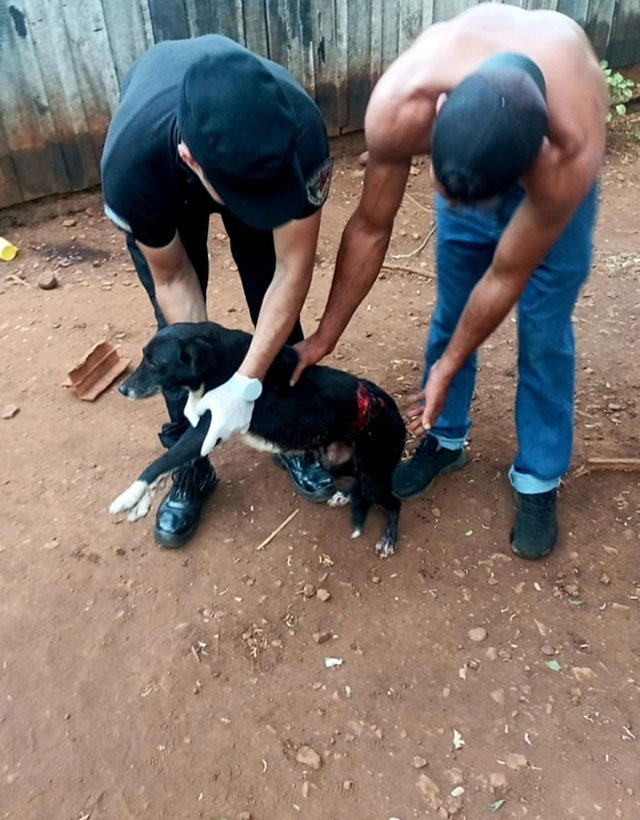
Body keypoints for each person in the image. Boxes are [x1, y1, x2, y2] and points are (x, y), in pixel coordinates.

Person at [292, 4, 607, 559]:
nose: (457, 207)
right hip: (479, 154)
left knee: (544, 327)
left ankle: (538, 476)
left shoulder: (567, 156)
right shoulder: (401, 103)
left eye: (471, 200)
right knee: (453, 308)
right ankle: (445, 437)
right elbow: (371, 227)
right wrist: (324, 336)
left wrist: (446, 365)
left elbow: (507, 275)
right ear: (439, 112)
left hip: (544, 181)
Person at [101, 35, 336, 548]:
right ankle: (192, 463)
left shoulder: (303, 135)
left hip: (247, 162)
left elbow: (291, 269)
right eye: (252, 196)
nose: (264, 204)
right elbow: (174, 280)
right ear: (191, 159)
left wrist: (246, 382)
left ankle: (291, 437)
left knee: (269, 288)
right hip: (166, 180)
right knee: (177, 347)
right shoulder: (133, 169)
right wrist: (204, 382)